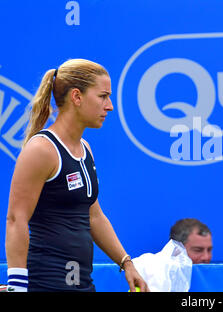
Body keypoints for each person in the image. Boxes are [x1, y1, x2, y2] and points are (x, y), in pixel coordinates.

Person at [4, 59, 148, 292]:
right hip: (46, 284)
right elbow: (15, 220)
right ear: (77, 97)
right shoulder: (41, 150)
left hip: (81, 283)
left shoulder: (85, 148)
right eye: (103, 96)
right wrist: (17, 287)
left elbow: (94, 216)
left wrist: (126, 263)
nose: (109, 105)